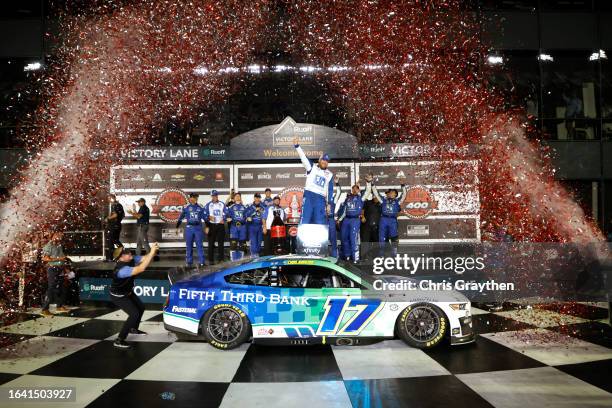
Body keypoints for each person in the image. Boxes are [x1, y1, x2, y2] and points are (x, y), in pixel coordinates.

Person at [111, 243, 159, 349]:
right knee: (134, 314)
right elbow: (141, 268)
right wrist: (151, 252)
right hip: (119, 296)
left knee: (141, 307)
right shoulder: (121, 270)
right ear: (122, 258)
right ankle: (119, 339)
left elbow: (145, 258)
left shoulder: (130, 259)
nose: (129, 253)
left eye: (128, 251)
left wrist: (153, 251)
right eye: (126, 253)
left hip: (128, 292)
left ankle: (133, 328)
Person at [293, 136, 334, 225]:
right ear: (319, 160)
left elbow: (330, 190)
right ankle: (302, 239)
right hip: (309, 197)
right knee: (305, 221)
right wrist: (297, 146)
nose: (325, 162)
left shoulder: (330, 175)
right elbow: (303, 157)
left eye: (327, 161)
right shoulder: (312, 167)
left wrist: (329, 204)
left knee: (320, 223)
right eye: (323, 159)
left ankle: (319, 239)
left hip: (320, 199)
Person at [364, 174, 406, 254]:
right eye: (389, 192)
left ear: (395, 195)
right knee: (381, 237)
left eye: (392, 192)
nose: (390, 193)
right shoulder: (383, 200)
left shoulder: (398, 201)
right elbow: (376, 193)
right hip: (383, 219)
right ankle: (381, 254)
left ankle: (394, 254)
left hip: (392, 220)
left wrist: (403, 185)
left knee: (394, 237)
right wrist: (371, 182)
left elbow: (404, 195)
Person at [41, 232, 69, 316]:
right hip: (52, 269)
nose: (59, 237)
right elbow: (45, 258)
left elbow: (62, 256)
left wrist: (65, 266)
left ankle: (59, 306)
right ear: (52, 236)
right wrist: (60, 258)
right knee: (51, 287)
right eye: (57, 236)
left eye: (60, 236)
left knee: (59, 287)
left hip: (60, 268)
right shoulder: (49, 246)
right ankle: (44, 309)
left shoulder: (59, 245)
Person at [176, 193, 208, 267]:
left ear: (197, 198)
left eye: (194, 197)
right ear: (190, 198)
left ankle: (202, 262)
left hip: (198, 228)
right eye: (191, 197)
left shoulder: (200, 207)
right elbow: (181, 217)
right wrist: (177, 226)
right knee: (189, 245)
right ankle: (189, 262)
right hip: (189, 228)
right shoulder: (186, 207)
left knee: (200, 245)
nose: (193, 199)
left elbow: (205, 218)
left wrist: (207, 226)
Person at [337, 184, 365, 262]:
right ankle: (347, 256)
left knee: (353, 239)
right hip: (346, 219)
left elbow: (368, 190)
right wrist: (340, 219)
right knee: (344, 238)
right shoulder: (348, 198)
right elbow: (344, 210)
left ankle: (355, 259)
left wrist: (369, 182)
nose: (354, 190)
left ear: (359, 190)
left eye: (356, 189)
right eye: (353, 189)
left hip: (355, 220)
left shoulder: (361, 198)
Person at [205, 190, 227, 264]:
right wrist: (209, 217)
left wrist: (223, 219)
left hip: (220, 225)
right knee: (211, 243)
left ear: (217, 196)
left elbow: (226, 213)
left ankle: (221, 259)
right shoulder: (208, 204)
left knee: (221, 243)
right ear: (211, 196)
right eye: (213, 196)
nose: (214, 197)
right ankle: (210, 260)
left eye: (215, 195)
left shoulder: (222, 204)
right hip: (212, 226)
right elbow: (204, 215)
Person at [226, 192, 248, 260]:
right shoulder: (231, 207)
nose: (238, 197)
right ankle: (233, 260)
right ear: (234, 198)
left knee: (242, 244)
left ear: (240, 198)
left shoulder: (245, 207)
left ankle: (240, 260)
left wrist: (248, 218)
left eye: (239, 196)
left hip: (242, 227)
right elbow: (225, 215)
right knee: (233, 244)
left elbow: (248, 216)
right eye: (236, 196)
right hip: (234, 227)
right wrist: (227, 218)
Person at [105, 194, 125, 261]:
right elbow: (122, 215)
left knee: (110, 241)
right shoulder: (119, 205)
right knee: (115, 240)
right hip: (117, 225)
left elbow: (115, 215)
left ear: (112, 198)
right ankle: (122, 253)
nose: (108, 200)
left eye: (109, 198)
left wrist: (108, 218)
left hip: (114, 225)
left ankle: (110, 258)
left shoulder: (115, 205)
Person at [329, 176, 342, 257]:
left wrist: (337, 183)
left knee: (333, 241)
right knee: (321, 241)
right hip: (322, 221)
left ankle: (335, 258)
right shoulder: (320, 199)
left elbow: (339, 192)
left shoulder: (332, 199)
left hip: (331, 221)